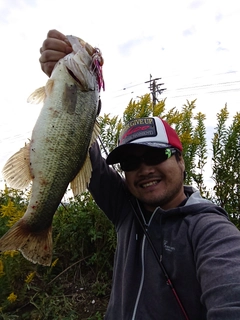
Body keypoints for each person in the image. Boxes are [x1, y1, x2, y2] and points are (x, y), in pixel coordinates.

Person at [39, 30, 240, 320]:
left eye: (156, 155)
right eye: (131, 163)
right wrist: (67, 85)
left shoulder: (210, 231)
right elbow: (76, 144)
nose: (144, 169)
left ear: (181, 160)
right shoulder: (126, 209)